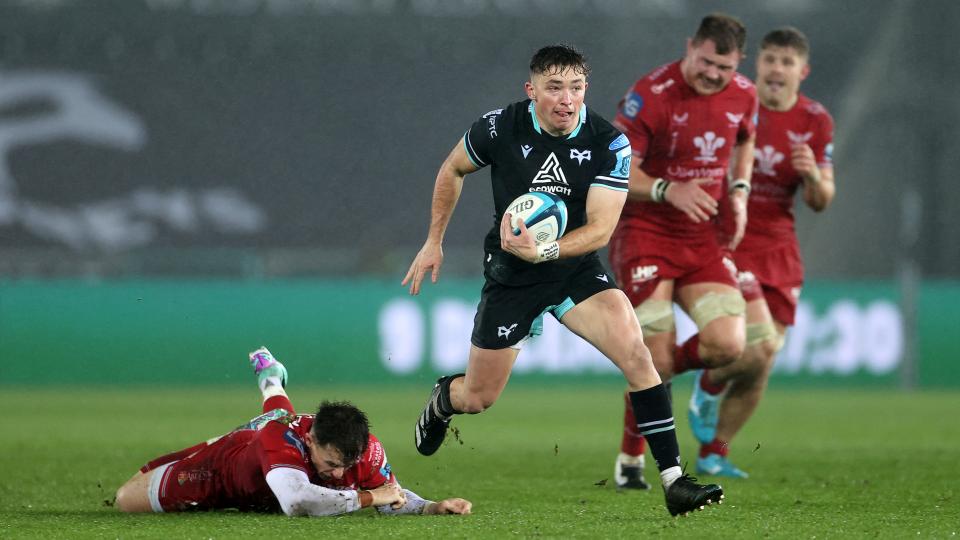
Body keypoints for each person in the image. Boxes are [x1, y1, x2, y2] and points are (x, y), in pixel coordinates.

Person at [402, 44, 722, 516]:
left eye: (575, 87)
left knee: (637, 353)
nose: (566, 99)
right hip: (512, 275)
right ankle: (443, 401)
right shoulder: (499, 126)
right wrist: (434, 240)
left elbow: (600, 227)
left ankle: (674, 480)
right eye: (554, 88)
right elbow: (453, 167)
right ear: (531, 91)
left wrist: (547, 249)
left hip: (573, 269)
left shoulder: (608, 142)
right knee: (479, 397)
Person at [608, 13, 758, 490]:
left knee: (729, 345)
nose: (714, 74)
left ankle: (667, 378)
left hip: (701, 238)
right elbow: (615, 169)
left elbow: (745, 140)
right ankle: (631, 458)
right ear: (689, 46)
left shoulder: (745, 94)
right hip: (645, 232)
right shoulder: (650, 94)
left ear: (738, 64)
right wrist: (666, 189)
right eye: (707, 62)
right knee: (656, 359)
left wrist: (737, 189)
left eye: (725, 67)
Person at [686, 26, 836, 478]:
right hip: (732, 236)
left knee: (762, 361)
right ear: (759, 64)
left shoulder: (815, 120)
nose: (777, 69)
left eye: (787, 62)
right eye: (770, 59)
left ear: (801, 71)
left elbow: (822, 200)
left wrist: (812, 176)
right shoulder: (736, 102)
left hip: (780, 247)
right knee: (758, 346)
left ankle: (717, 450)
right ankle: (707, 380)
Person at [115, 347, 472, 516]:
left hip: (269, 441)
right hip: (221, 472)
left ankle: (271, 377)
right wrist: (366, 497)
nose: (340, 474)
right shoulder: (282, 440)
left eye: (347, 466)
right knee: (126, 499)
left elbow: (390, 496)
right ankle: (258, 393)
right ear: (310, 440)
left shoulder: (360, 450)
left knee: (277, 418)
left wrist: (432, 507)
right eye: (331, 463)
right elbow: (297, 501)